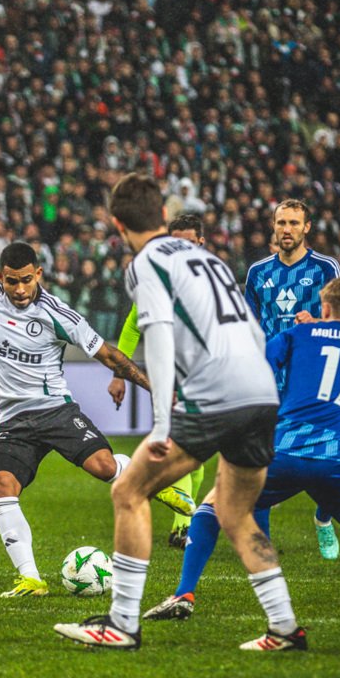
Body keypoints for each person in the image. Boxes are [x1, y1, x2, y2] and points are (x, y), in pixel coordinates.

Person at [53, 174, 298, 653]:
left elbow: (159, 335)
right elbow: (247, 325)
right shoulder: (208, 259)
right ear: (163, 216)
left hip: (214, 392)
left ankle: (122, 623)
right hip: (261, 388)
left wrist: (163, 422)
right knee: (234, 511)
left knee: (129, 489)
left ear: (117, 223)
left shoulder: (145, 263)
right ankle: (285, 626)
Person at [0, 241, 187, 598]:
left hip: (56, 411)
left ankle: (152, 483)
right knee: (1, 485)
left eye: (27, 280)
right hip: (13, 421)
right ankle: (31, 578)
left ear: (38, 274)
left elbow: (109, 355)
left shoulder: (59, 314)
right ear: (0, 278)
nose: (21, 289)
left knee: (104, 467)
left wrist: (154, 387)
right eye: (12, 282)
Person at [145, 276, 340, 624]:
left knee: (214, 504)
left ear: (324, 308)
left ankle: (183, 593)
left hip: (283, 449)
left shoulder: (298, 335)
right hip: (339, 458)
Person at [242, 198, 340, 556]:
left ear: (307, 227)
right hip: (269, 381)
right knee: (261, 461)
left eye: (293, 223)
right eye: (281, 223)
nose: (287, 230)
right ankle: (261, 542)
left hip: (313, 379)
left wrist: (316, 324)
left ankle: (323, 518)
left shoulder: (325, 268)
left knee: (327, 462)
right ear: (273, 226)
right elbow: (249, 325)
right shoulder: (258, 272)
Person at [106, 212, 208, 548]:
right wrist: (118, 373)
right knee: (184, 450)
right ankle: (184, 525)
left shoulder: (213, 281)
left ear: (201, 243)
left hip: (207, 376)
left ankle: (184, 523)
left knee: (195, 453)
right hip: (170, 377)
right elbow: (133, 326)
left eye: (187, 244)